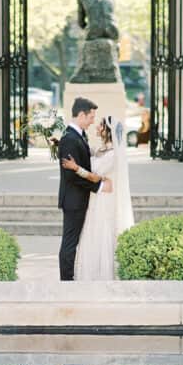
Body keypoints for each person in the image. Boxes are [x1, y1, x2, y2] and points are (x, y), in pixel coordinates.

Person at [60, 115, 135, 281]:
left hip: (104, 200)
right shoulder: (101, 150)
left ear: (107, 131)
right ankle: (90, 272)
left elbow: (94, 176)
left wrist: (76, 167)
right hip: (96, 197)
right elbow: (85, 152)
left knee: (100, 232)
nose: (96, 127)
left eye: (100, 125)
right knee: (91, 232)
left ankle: (100, 275)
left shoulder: (113, 155)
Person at [58, 97, 112, 281]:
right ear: (81, 115)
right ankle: (66, 281)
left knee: (73, 242)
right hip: (73, 200)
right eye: (91, 117)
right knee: (70, 243)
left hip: (80, 199)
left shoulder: (79, 136)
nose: (92, 122)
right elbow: (71, 176)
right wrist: (99, 186)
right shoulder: (69, 139)